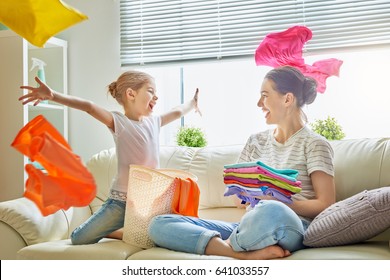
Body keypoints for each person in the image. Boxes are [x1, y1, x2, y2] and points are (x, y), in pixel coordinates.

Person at [148, 65, 336, 259]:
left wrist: (278, 202)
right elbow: (238, 201)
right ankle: (236, 251)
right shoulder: (256, 141)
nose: (259, 103)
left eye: (265, 95)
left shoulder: (315, 144)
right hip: (248, 226)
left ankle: (232, 245)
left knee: (271, 209)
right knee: (159, 223)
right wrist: (247, 193)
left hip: (289, 226)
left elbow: (325, 204)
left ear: (287, 99)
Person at [19, 70, 201, 245]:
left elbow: (177, 111)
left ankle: (126, 231)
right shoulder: (119, 122)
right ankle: (116, 230)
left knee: (156, 237)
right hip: (121, 202)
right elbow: (89, 107)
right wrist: (53, 95)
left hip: (149, 202)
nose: (156, 97)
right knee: (79, 238)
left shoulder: (154, 122)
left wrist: (192, 104)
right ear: (131, 94)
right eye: (151, 91)